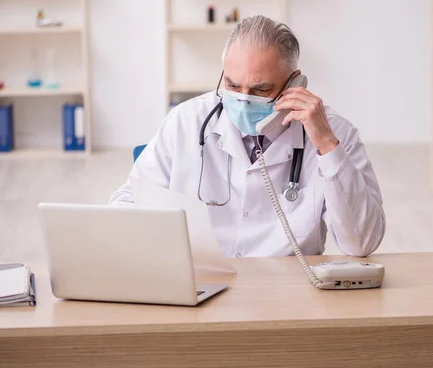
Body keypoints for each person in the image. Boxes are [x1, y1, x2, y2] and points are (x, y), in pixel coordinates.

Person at [109, 15, 385, 258]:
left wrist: (326, 145)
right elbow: (130, 201)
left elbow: (361, 244)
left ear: (295, 84)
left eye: (260, 89)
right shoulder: (185, 121)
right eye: (232, 84)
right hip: (199, 281)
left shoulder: (336, 133)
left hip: (289, 293)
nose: (242, 100)